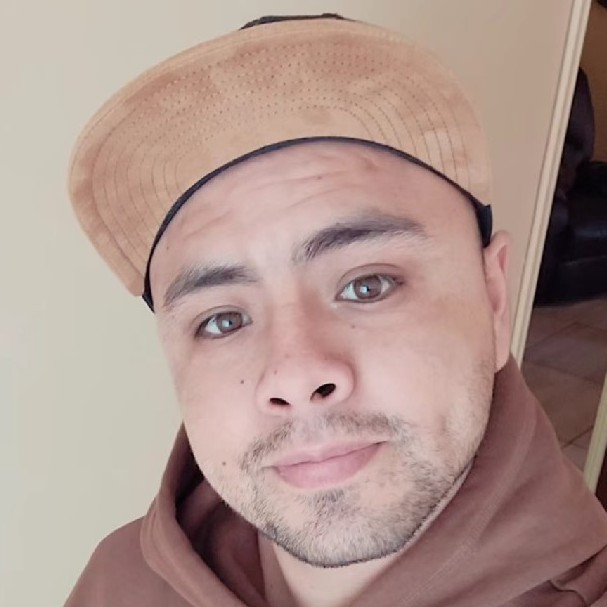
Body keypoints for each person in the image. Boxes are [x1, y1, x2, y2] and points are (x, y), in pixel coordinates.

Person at [64, 13, 607, 607]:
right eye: (223, 320)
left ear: (494, 298)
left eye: (367, 285)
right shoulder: (119, 580)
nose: (296, 378)